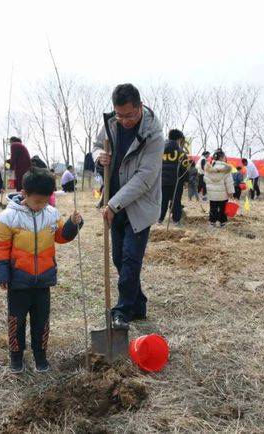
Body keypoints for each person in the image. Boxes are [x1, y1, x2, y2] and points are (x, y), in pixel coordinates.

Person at [0, 168, 83, 374]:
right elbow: (0, 247)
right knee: (17, 320)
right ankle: (16, 357)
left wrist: (73, 224)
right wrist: (2, 275)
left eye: (45, 201)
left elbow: (62, 236)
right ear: (24, 194)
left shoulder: (51, 214)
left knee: (42, 321)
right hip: (18, 281)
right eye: (37, 202)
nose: (41, 206)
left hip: (43, 280)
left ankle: (40, 355)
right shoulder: (7, 217)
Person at [92, 83, 164, 330]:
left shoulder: (153, 134)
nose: (124, 121)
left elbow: (145, 178)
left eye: (129, 115)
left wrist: (113, 204)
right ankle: (138, 304)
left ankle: (122, 311)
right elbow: (96, 146)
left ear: (140, 107)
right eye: (120, 115)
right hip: (115, 202)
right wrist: (98, 155)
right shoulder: (112, 123)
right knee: (119, 259)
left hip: (138, 206)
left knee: (131, 260)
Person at [159, 129, 189, 225]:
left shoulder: (160, 149)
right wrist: (186, 180)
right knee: (176, 201)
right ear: (179, 139)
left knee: (163, 200)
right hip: (176, 181)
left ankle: (160, 219)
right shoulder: (181, 152)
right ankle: (176, 220)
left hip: (162, 180)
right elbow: (185, 167)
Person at [205, 149, 234, 228]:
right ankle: (222, 223)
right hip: (223, 194)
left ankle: (212, 223)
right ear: (222, 157)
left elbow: (205, 179)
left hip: (212, 194)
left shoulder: (209, 168)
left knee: (213, 209)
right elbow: (229, 182)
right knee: (223, 209)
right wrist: (231, 193)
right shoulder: (226, 168)